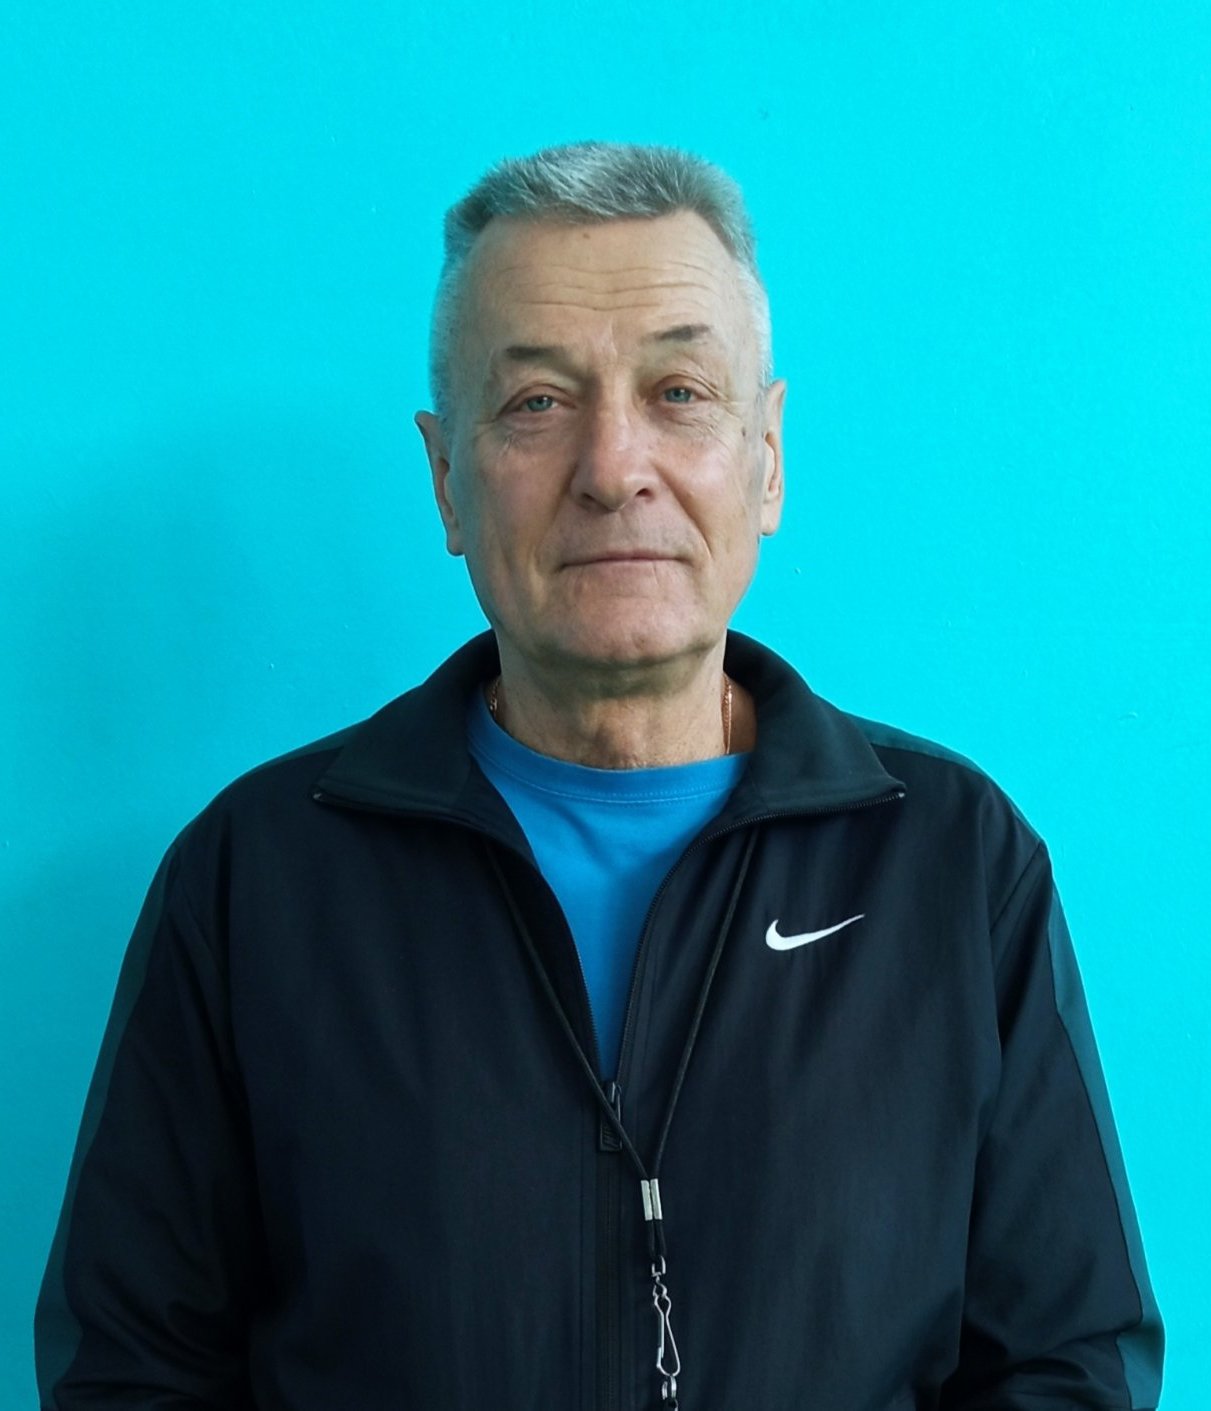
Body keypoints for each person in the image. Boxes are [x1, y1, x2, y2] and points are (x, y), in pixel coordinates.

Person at [36, 141, 1163, 1410]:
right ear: (445, 478)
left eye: (678, 391)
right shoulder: (256, 879)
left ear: (767, 458)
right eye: (535, 402)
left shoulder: (950, 858)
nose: (613, 466)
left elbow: (1065, 1360)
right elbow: (134, 1370)